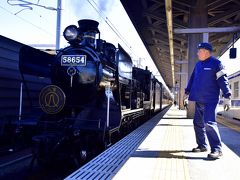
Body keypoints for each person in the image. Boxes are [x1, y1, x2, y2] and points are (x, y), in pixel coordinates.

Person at [183, 42, 231, 160]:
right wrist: (187, 92)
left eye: (199, 51)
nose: (198, 53)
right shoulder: (198, 65)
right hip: (199, 99)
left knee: (209, 123)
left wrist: (227, 96)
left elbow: (223, 80)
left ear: (206, 52)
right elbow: (192, 79)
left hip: (211, 100)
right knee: (197, 123)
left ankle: (217, 149)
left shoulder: (216, 63)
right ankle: (202, 145)